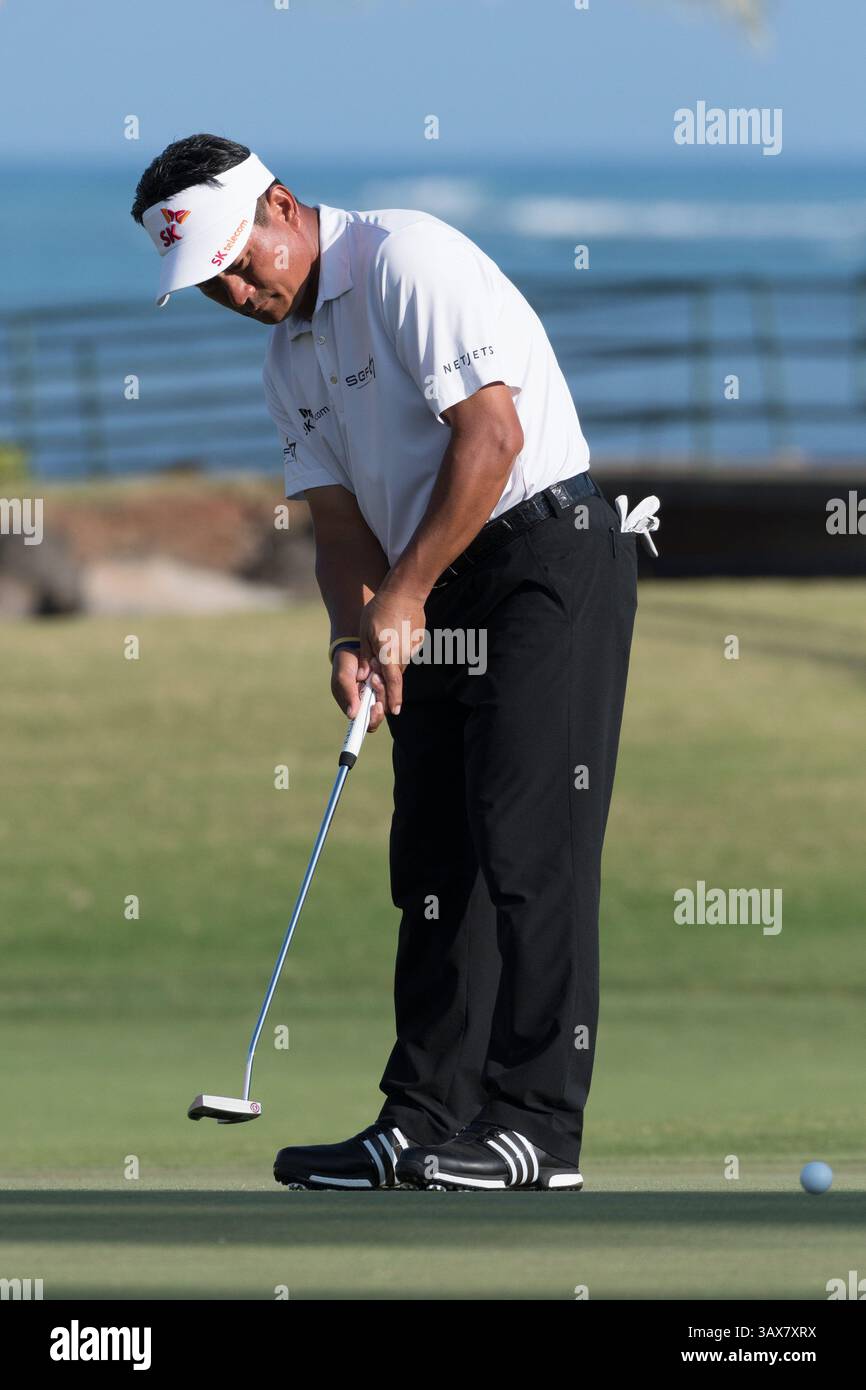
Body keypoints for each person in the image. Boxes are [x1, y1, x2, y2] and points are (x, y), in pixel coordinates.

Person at [132, 134, 641, 1192]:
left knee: (526, 839)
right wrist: (354, 631)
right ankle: (421, 1119)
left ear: (279, 205)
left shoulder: (406, 260)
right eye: (207, 282)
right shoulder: (288, 359)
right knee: (431, 860)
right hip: (434, 577)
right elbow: (336, 525)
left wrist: (401, 595)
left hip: (542, 555)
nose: (233, 289)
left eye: (236, 259)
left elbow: (489, 438)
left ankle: (537, 1128)